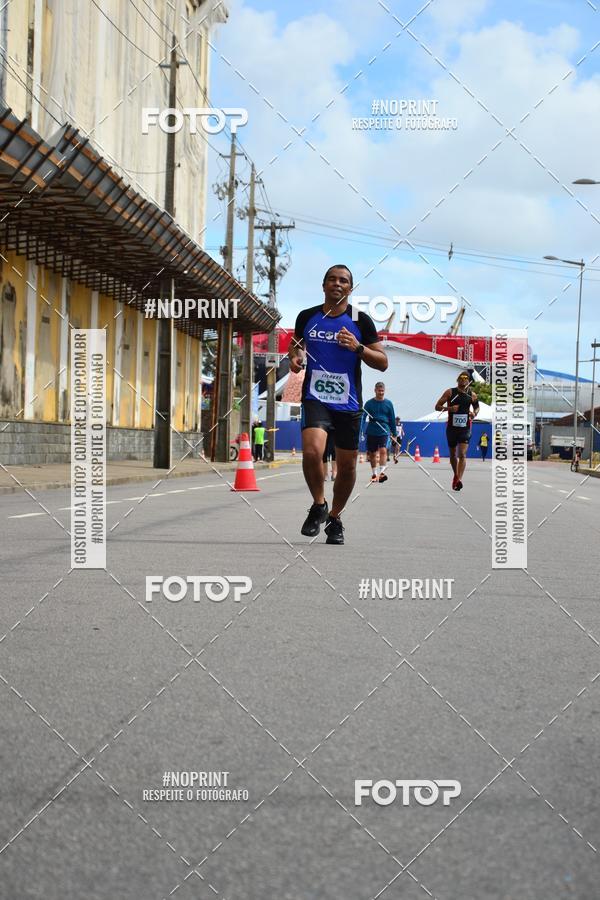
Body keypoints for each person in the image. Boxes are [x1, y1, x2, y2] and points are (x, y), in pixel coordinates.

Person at [288, 264, 387, 544]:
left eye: (343, 280)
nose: (337, 284)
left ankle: (334, 517)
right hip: (316, 397)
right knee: (311, 452)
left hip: (348, 402)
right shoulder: (307, 316)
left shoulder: (361, 321)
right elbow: (296, 346)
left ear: (350, 288)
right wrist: (294, 357)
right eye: (331, 279)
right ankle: (318, 504)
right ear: (323, 286)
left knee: (347, 467)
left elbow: (382, 363)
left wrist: (358, 347)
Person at [435, 372, 479, 491]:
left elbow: (476, 407)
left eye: (466, 378)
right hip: (451, 428)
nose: (464, 380)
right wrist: (449, 408)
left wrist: (474, 413)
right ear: (457, 380)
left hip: (465, 428)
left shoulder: (472, 395)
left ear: (468, 381)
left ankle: (459, 479)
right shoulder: (450, 392)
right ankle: (456, 476)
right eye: (461, 378)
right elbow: (437, 406)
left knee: (462, 454)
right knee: (453, 454)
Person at [362, 383, 397, 483]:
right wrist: (360, 430)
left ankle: (382, 473)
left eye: (382, 391)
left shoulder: (389, 403)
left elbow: (392, 419)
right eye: (379, 391)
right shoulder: (369, 403)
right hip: (372, 430)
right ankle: (374, 473)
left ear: (384, 391)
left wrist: (394, 433)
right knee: (372, 454)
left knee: (383, 451)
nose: (381, 393)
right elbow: (363, 417)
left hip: (384, 430)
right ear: (375, 390)